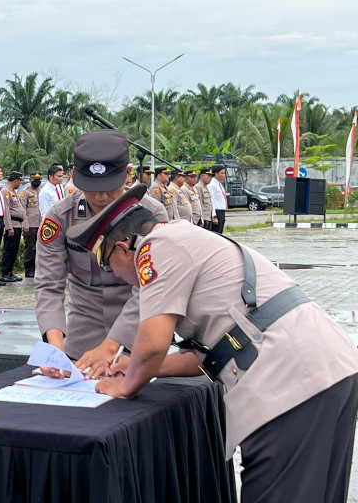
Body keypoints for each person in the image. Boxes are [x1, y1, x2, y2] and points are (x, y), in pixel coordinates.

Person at [68, 188, 358, 503]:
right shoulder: (184, 237)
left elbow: (152, 344)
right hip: (325, 367)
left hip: (289, 381)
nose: (120, 278)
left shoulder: (154, 248)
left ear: (124, 247)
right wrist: (133, 366)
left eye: (109, 265)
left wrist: (127, 386)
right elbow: (206, 357)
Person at [34, 130, 169, 378]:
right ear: (74, 175)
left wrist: (113, 345)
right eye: (91, 187)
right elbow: (49, 285)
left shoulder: (152, 215)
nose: (101, 196)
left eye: (109, 187)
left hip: (137, 334)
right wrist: (54, 349)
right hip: (83, 335)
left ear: (128, 174)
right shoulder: (60, 218)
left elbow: (151, 287)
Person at [0, 171, 25, 282]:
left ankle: (10, 272)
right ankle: (5, 273)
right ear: (16, 181)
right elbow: (6, 210)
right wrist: (8, 227)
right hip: (12, 225)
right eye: (20, 181)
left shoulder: (12, 191)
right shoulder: (5, 191)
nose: (20, 184)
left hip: (17, 224)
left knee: (14, 250)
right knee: (9, 250)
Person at [21, 172, 42, 278]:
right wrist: (25, 224)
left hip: (41, 224)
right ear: (30, 179)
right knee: (30, 247)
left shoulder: (42, 191)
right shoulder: (25, 193)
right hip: (30, 225)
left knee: (40, 248)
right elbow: (22, 209)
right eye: (35, 179)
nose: (37, 181)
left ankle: (37, 268)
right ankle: (29, 269)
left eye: (39, 179)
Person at [208, 164, 228, 233]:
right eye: (222, 173)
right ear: (216, 174)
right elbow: (211, 200)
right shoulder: (212, 184)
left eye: (224, 173)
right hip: (217, 211)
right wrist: (214, 216)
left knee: (220, 233)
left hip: (221, 211)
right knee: (216, 233)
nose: (224, 175)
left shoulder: (219, 184)